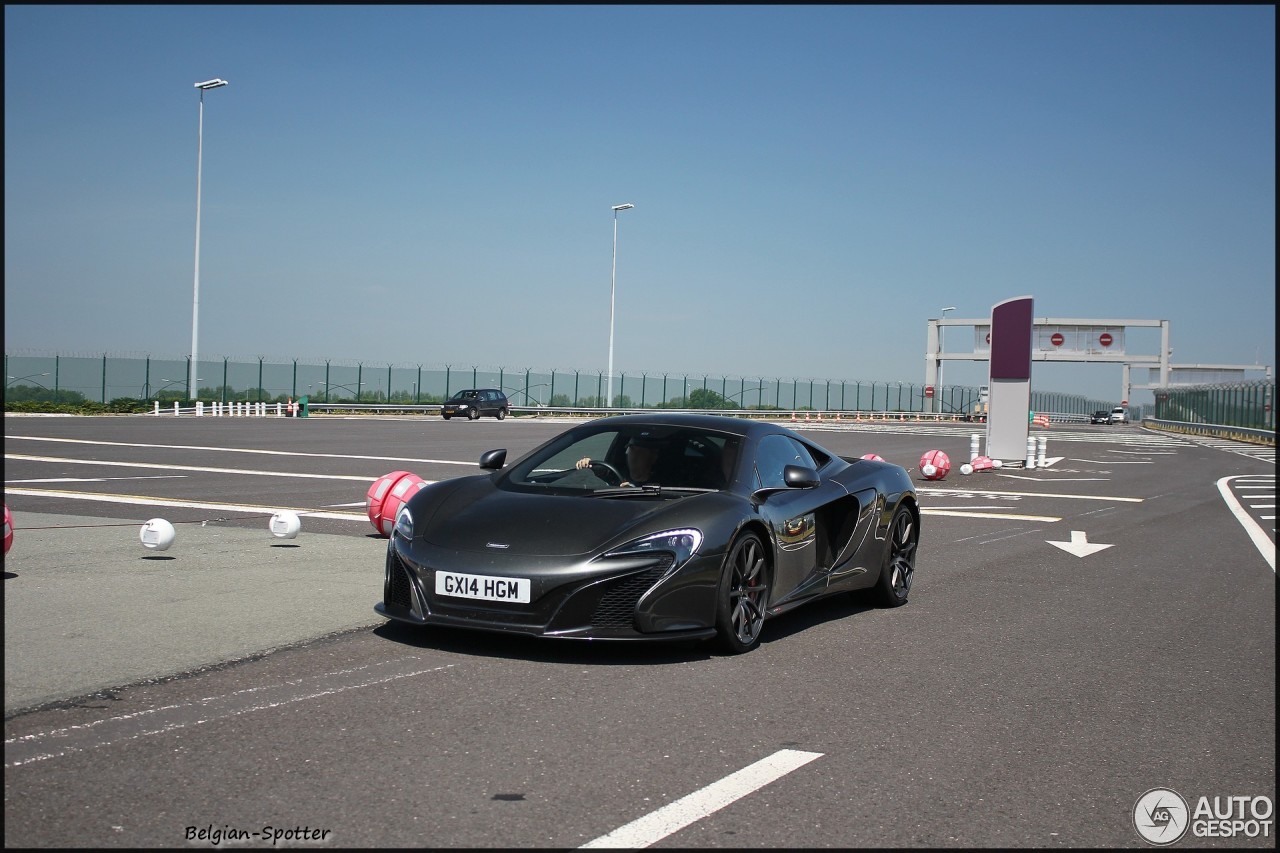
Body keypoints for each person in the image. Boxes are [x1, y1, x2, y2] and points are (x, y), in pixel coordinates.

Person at [576, 433, 665, 487]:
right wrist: (587, 465)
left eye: (640, 453)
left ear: (653, 457)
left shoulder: (663, 484)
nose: (634, 457)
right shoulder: (615, 473)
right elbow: (601, 474)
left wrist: (634, 492)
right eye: (632, 451)